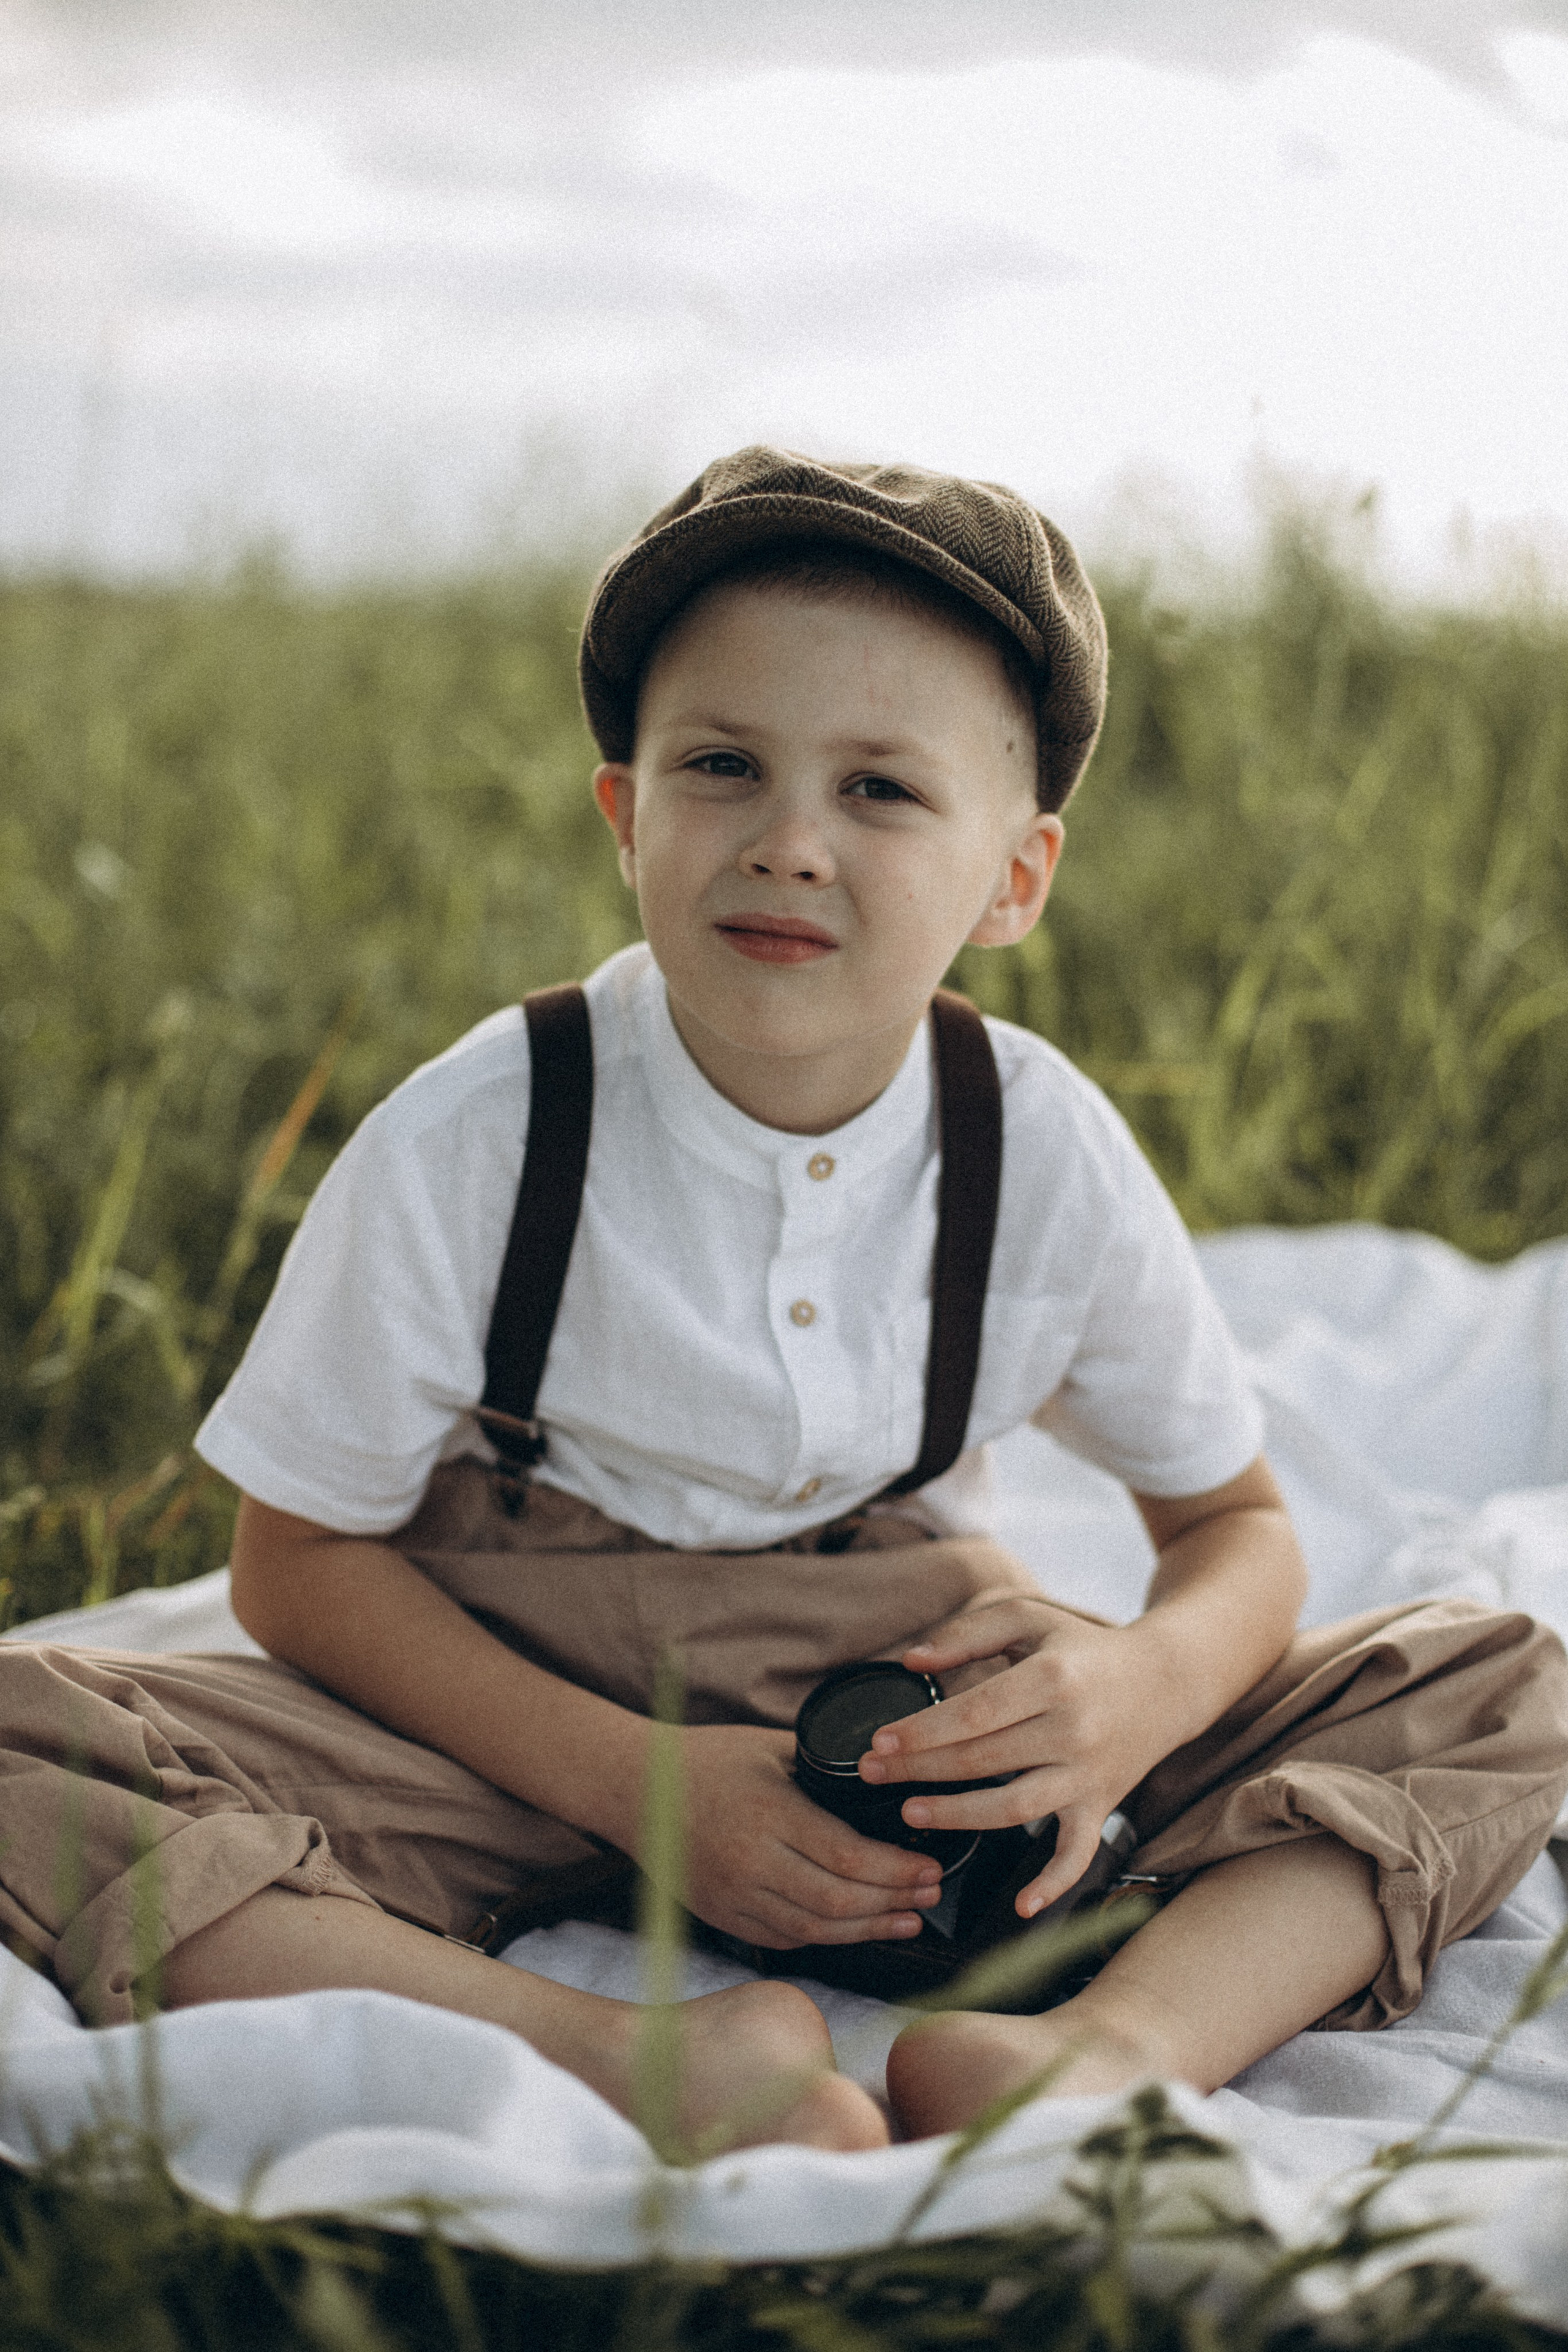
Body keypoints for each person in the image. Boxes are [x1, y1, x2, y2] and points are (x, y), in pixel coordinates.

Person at [3, 450, 1565, 2155]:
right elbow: (294, 1565)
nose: (789, 844)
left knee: (1499, 1681)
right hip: (514, 1706)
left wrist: (1139, 1692)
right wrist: (636, 1788)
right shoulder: (485, 1129)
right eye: (722, 766)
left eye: (883, 791)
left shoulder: (1036, 1149)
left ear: (1015, 877)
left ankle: (1113, 2048)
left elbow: (1237, 1527)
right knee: (23, 1739)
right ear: (627, 816)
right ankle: (615, 2054)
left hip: (892, 1706)